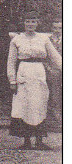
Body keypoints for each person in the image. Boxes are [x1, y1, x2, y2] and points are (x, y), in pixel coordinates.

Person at [7, 11, 62, 150]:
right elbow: (11, 62)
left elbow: (56, 58)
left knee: (39, 105)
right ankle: (26, 141)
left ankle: (39, 141)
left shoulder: (43, 39)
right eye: (28, 22)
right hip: (24, 73)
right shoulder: (16, 40)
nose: (30, 24)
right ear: (24, 23)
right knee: (23, 106)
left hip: (38, 73)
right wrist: (12, 81)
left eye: (33, 22)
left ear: (37, 23)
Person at [45, 22, 62, 127]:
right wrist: (49, 68)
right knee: (54, 94)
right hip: (52, 71)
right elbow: (43, 57)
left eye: (60, 28)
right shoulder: (47, 40)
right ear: (51, 28)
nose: (57, 30)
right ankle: (56, 117)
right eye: (55, 27)